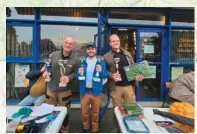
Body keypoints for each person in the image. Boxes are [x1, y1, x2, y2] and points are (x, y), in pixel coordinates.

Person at [42, 37, 78, 133]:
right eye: (66, 42)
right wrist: (45, 72)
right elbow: (46, 66)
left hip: (65, 91)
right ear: (63, 44)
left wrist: (69, 77)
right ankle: (50, 129)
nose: (68, 45)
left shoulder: (75, 58)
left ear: (73, 46)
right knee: (49, 111)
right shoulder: (53, 55)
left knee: (64, 113)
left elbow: (77, 72)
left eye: (70, 43)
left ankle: (64, 130)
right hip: (51, 89)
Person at [104, 34, 144, 107]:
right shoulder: (106, 56)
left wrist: (138, 75)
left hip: (129, 86)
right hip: (115, 87)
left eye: (117, 41)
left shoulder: (127, 54)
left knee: (131, 109)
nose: (116, 42)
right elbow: (104, 71)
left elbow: (133, 67)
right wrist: (112, 75)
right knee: (117, 111)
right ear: (110, 43)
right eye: (113, 41)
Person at [76, 42, 107, 133]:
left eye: (92, 48)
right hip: (85, 92)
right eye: (89, 49)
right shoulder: (82, 62)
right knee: (84, 113)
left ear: (95, 50)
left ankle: (95, 129)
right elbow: (78, 75)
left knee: (95, 113)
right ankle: (86, 128)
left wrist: (101, 71)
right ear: (86, 50)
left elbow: (104, 76)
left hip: (96, 92)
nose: (91, 51)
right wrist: (79, 73)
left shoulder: (101, 62)